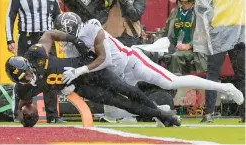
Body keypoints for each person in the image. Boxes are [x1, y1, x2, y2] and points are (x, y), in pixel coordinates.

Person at [55, 12, 244, 108]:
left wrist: (78, 72)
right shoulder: (68, 43)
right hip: (116, 74)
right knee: (116, 114)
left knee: (170, 82)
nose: (70, 39)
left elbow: (104, 60)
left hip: (131, 61)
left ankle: (226, 87)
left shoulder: (91, 29)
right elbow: (77, 65)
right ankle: (158, 109)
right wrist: (72, 81)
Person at [5, 29, 181, 127]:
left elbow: (50, 34)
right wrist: (26, 118)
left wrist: (75, 41)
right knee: (120, 102)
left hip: (87, 69)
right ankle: (162, 115)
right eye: (25, 77)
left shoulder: (35, 55)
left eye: (28, 71)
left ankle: (162, 115)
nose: (30, 75)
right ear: (18, 80)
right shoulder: (23, 89)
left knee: (127, 89)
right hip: (80, 87)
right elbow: (23, 107)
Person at [5, 0, 63, 123]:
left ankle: (53, 116)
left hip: (47, 37)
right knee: (21, 75)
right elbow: (10, 15)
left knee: (51, 74)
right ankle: (18, 113)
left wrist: (62, 39)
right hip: (26, 37)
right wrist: (9, 40)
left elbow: (58, 18)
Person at [193, 0, 245, 123]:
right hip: (239, 28)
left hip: (221, 29)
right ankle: (245, 113)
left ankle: (209, 113)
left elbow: (201, 6)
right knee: (242, 75)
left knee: (213, 73)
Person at [161, 0, 207, 75]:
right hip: (174, 47)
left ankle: (175, 84)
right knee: (158, 55)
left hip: (194, 50)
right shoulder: (175, 11)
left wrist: (189, 45)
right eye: (181, 2)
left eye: (186, 2)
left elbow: (204, 35)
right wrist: (157, 43)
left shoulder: (199, 13)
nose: (183, 4)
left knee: (175, 57)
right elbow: (165, 31)